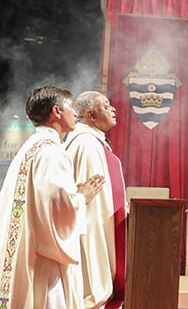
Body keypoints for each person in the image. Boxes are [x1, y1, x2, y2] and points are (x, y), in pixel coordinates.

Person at [0, 85, 105, 309]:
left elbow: (46, 199)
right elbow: (58, 211)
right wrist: (81, 198)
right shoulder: (52, 152)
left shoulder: (30, 147)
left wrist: (72, 194)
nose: (75, 113)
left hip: (27, 250)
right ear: (57, 111)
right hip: (45, 261)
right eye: (70, 107)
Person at [64, 91, 127, 309]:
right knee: (91, 289)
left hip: (103, 224)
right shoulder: (86, 144)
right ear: (90, 114)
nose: (113, 109)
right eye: (106, 106)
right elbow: (87, 198)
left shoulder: (93, 142)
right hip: (91, 230)